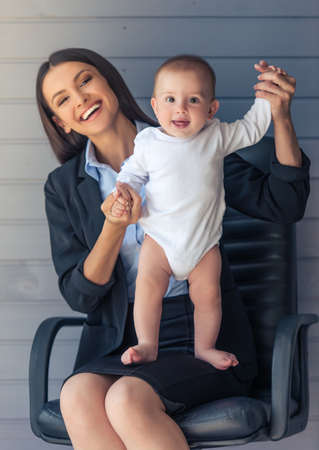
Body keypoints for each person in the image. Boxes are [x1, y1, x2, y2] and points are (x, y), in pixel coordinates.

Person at [36, 48, 309, 450]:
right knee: (77, 394)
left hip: (201, 333)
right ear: (61, 122)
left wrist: (280, 117)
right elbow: (81, 295)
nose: (80, 99)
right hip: (124, 339)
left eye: (86, 81)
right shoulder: (63, 187)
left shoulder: (189, 140)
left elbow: (284, 205)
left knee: (127, 399)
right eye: (63, 100)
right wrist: (114, 225)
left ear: (110, 83)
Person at [114, 55, 271, 369]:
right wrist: (125, 190)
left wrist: (266, 97)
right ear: (156, 107)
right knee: (148, 290)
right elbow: (131, 173)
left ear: (211, 109)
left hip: (203, 245)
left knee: (208, 298)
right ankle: (147, 343)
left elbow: (252, 129)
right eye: (170, 99)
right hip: (159, 240)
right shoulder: (148, 142)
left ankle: (205, 347)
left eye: (193, 100)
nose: (181, 109)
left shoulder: (216, 135)